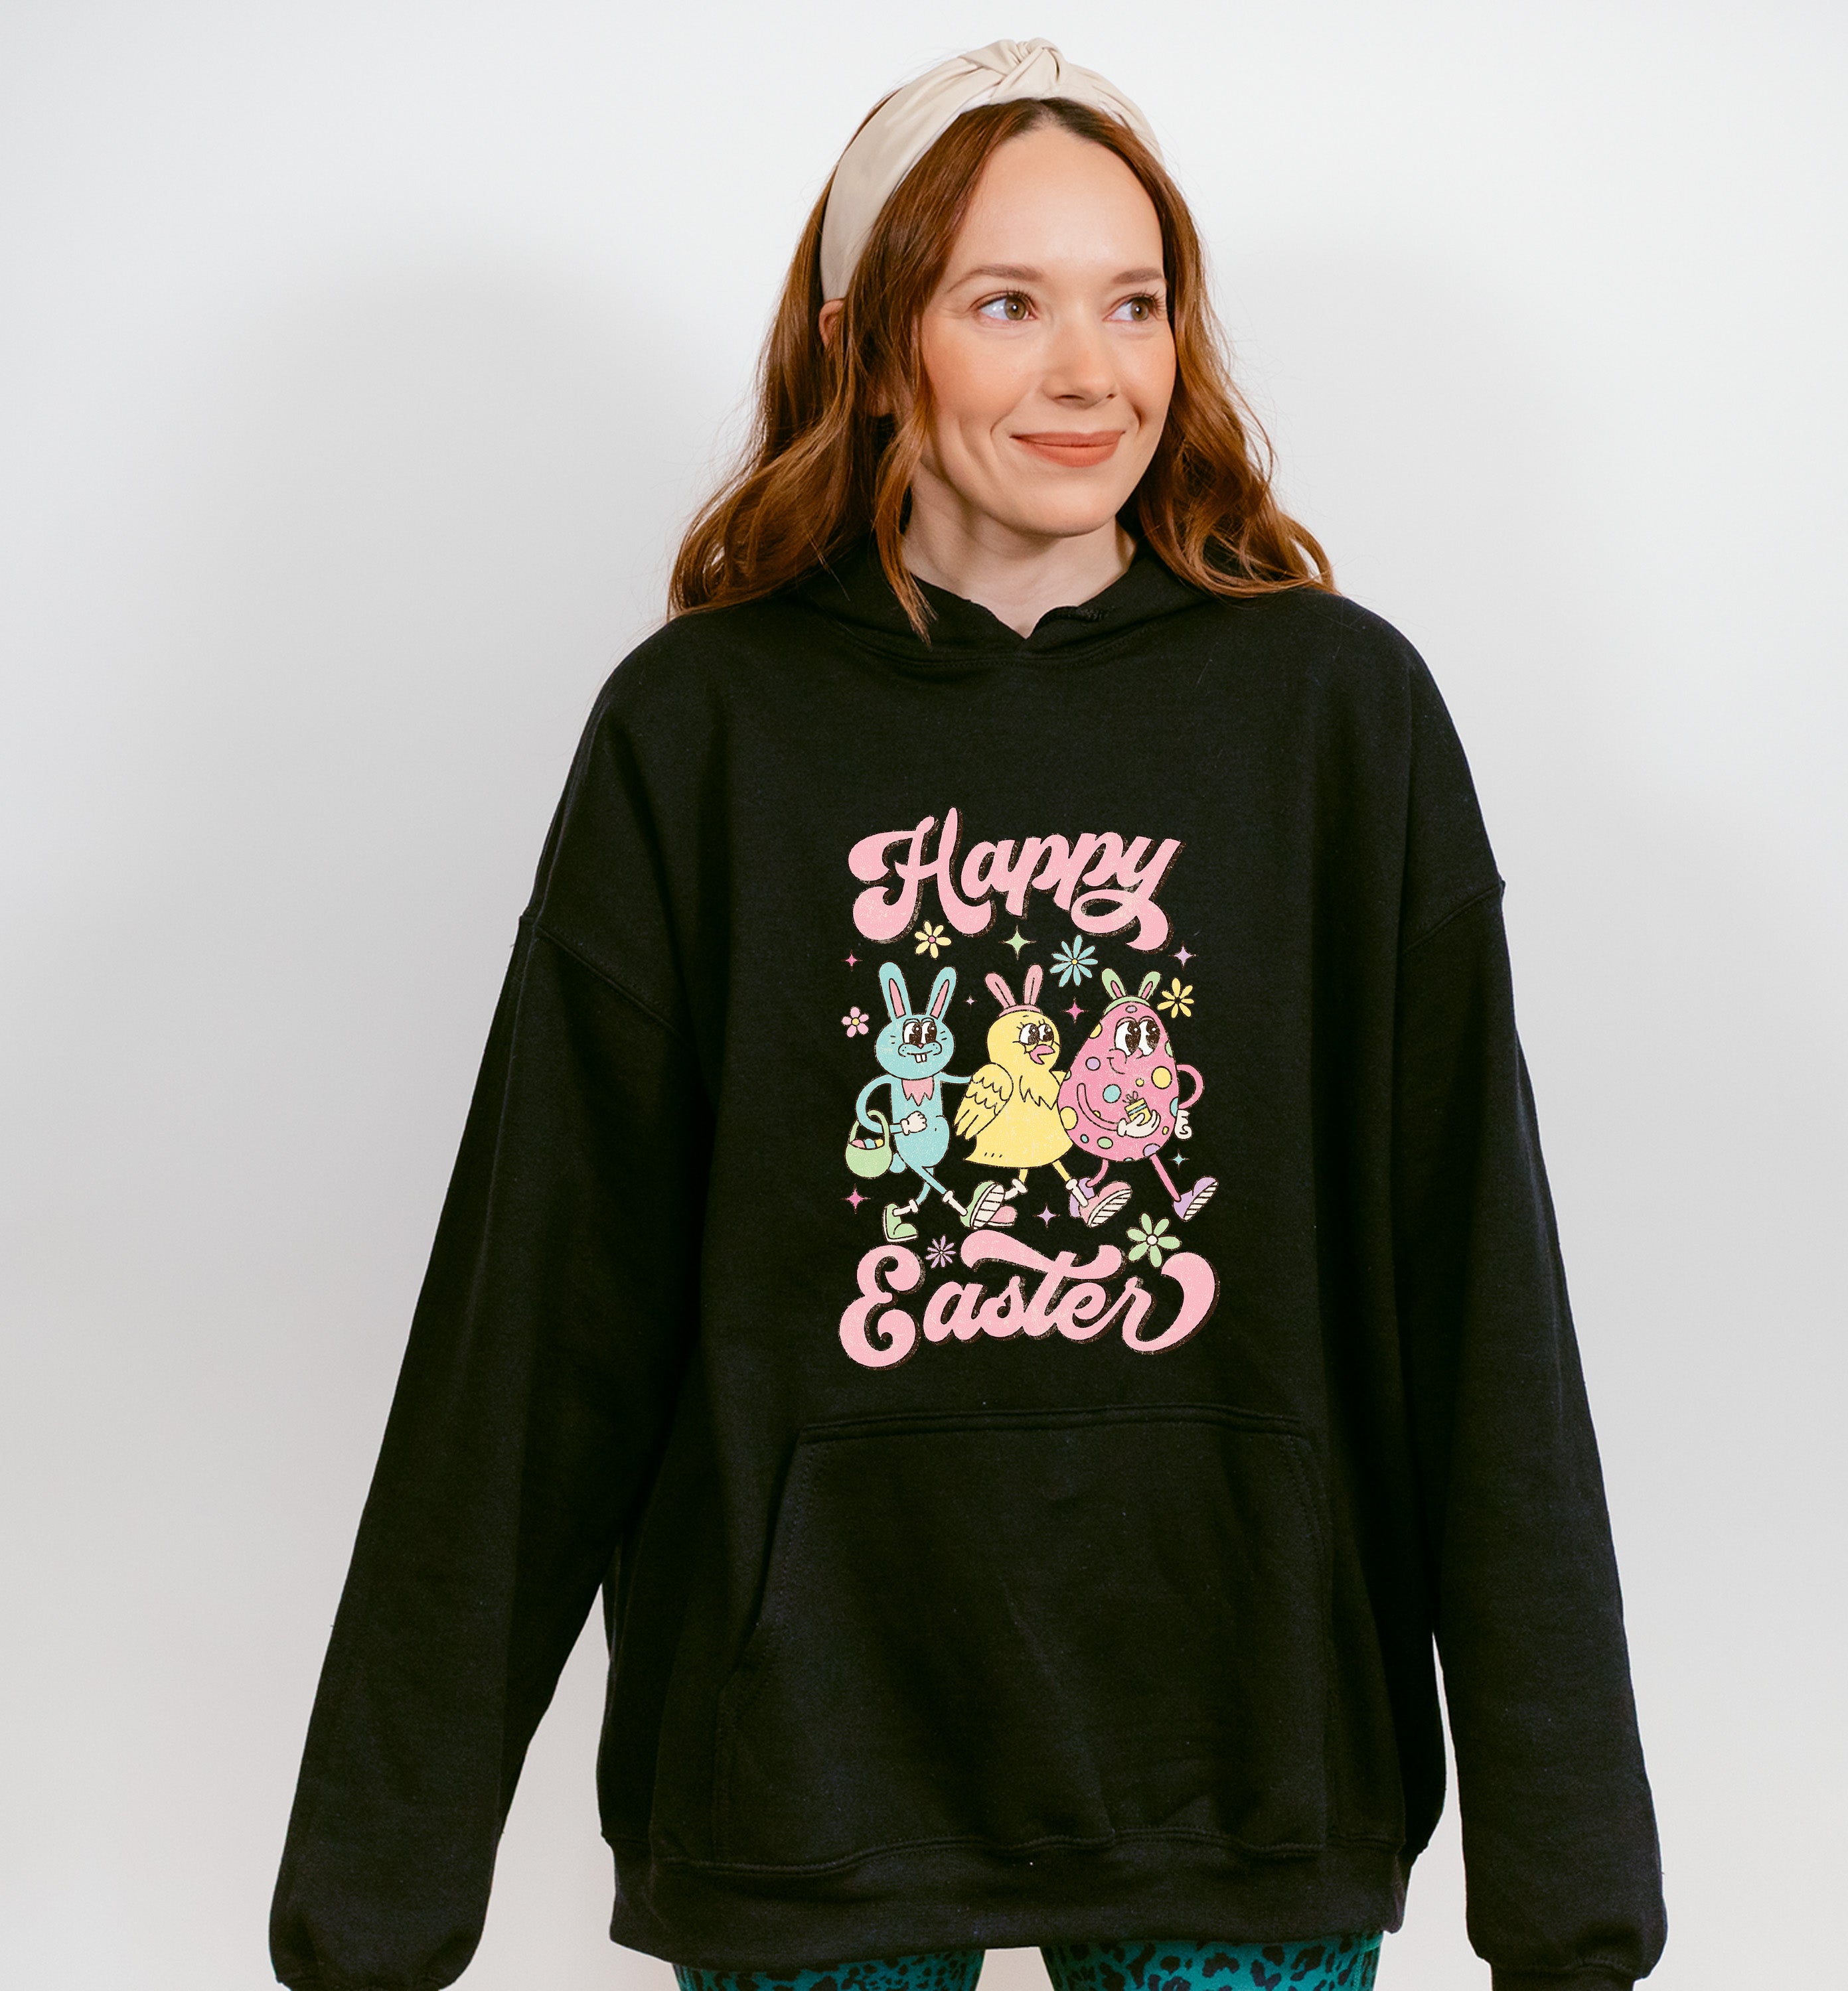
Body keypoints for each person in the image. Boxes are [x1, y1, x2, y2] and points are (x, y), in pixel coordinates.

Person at [270, 37, 1665, 1991]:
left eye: (1135, 303)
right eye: (1008, 303)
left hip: (1243, 1750)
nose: (1092, 373)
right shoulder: (704, 733)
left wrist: (1571, 1872)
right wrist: (378, 1896)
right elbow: (539, 1314)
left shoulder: (1336, 721)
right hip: (805, 1758)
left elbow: (1478, 1285)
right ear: (869, 342)